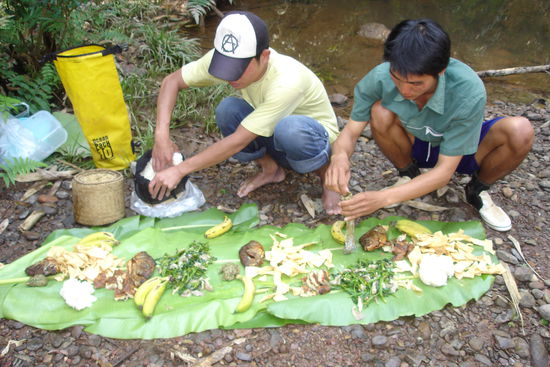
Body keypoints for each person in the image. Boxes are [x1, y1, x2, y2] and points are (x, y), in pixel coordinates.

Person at [325, 18, 533, 231]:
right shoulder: (379, 78)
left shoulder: (468, 90)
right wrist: (339, 156)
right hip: (418, 142)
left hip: (460, 151)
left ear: (440, 71)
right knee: (380, 110)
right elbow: (350, 133)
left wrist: (382, 198)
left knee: (520, 130)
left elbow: (444, 172)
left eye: (416, 83)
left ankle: (477, 190)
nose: (405, 91)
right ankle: (410, 175)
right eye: (397, 78)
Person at [148, 10, 340, 212]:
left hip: (313, 141)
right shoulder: (224, 55)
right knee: (228, 109)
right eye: (225, 66)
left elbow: (239, 139)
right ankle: (271, 169)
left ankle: (329, 176)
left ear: (264, 56)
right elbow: (172, 81)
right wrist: (161, 137)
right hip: (273, 130)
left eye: (238, 68)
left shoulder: (288, 81)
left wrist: (179, 170)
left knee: (290, 129)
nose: (231, 77)